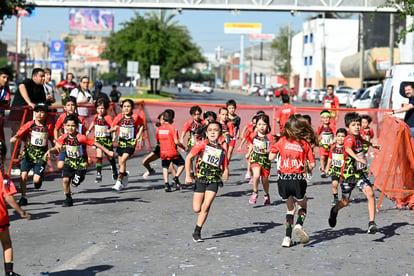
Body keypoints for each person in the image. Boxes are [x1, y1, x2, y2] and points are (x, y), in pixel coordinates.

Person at [328, 112, 381, 234]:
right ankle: (334, 210)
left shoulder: (358, 138)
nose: (357, 127)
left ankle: (371, 223)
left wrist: (373, 145)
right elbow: (347, 148)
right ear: (348, 128)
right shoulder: (349, 139)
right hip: (348, 176)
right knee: (345, 202)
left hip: (359, 174)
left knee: (370, 193)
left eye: (358, 124)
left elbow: (363, 141)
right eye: (354, 125)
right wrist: (358, 158)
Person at [269, 114, 317, 247]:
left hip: (282, 179)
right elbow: (312, 164)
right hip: (298, 179)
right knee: (303, 204)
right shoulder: (305, 144)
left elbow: (270, 157)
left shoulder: (282, 141)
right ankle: (299, 225)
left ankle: (287, 238)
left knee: (290, 209)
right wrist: (307, 165)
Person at [45, 115, 114, 207]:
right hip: (69, 161)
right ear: (64, 126)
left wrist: (108, 151)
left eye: (73, 126)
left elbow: (95, 143)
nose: (70, 128)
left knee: (74, 184)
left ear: (77, 126)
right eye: (68, 126)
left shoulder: (81, 137)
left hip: (80, 163)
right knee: (65, 180)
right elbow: (57, 147)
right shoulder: (63, 137)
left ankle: (80, 177)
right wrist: (50, 150)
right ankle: (68, 198)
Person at [185, 120, 229, 242]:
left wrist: (225, 171)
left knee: (207, 205)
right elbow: (188, 158)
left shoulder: (222, 150)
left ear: (220, 133)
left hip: (214, 180)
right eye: (210, 130)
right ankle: (202, 212)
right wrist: (188, 175)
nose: (213, 133)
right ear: (206, 132)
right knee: (197, 209)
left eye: (216, 130)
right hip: (200, 179)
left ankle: (197, 232)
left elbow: (225, 165)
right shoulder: (201, 145)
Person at [10, 103, 53, 206]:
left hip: (41, 156)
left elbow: (52, 138)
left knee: (36, 179)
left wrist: (55, 147)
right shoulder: (30, 124)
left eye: (42, 112)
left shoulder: (49, 126)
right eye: (37, 111)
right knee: (23, 175)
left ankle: (39, 178)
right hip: (28, 154)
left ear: (46, 114)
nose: (39, 114)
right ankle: (23, 197)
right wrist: (15, 137)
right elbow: (21, 131)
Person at [0, 162, 31, 275]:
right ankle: (9, 272)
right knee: (7, 244)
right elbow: (8, 196)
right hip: (1, 216)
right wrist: (21, 212)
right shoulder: (3, 176)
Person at [111, 99, 144, 191]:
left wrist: (139, 134)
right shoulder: (119, 117)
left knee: (123, 160)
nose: (126, 108)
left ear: (132, 108)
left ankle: (118, 182)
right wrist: (114, 131)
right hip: (121, 142)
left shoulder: (136, 117)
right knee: (121, 162)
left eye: (128, 106)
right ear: (121, 108)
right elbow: (113, 127)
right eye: (124, 106)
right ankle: (124, 175)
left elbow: (142, 125)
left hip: (131, 142)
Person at [85, 98, 118, 183]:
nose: (100, 110)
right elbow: (93, 122)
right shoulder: (96, 116)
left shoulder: (107, 118)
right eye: (98, 108)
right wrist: (89, 130)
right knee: (99, 155)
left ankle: (114, 169)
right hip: (98, 140)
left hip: (106, 140)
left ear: (106, 108)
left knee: (110, 157)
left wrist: (109, 131)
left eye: (102, 108)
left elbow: (114, 127)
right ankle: (99, 173)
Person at [245, 114, 275, 205]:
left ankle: (266, 195)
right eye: (259, 124)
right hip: (255, 157)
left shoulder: (270, 137)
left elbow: (272, 149)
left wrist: (267, 151)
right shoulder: (253, 135)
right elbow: (251, 144)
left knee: (265, 180)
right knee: (256, 175)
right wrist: (249, 153)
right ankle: (255, 192)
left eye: (264, 124)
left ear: (268, 125)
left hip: (265, 159)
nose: (261, 126)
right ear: (256, 125)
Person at [156, 110, 187, 192]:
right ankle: (176, 178)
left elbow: (158, 140)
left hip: (163, 152)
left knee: (165, 167)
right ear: (172, 119)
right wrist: (184, 147)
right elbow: (176, 141)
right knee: (182, 164)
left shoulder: (159, 129)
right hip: (172, 151)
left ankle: (166, 184)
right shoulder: (173, 128)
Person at [54, 97, 87, 170]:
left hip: (76, 147)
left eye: (72, 105)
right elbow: (56, 129)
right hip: (65, 145)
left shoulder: (80, 119)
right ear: (65, 107)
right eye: (68, 105)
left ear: (75, 106)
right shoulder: (62, 117)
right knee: (60, 166)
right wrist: (57, 141)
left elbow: (84, 133)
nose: (71, 107)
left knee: (77, 168)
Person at [142, 110, 177, 178]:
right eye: (161, 120)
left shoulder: (170, 129)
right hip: (159, 150)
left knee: (171, 166)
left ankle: (176, 180)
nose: (162, 121)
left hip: (167, 150)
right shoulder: (159, 129)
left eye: (164, 119)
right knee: (144, 162)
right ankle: (150, 170)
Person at [325, 128, 347, 206]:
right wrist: (327, 167)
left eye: (343, 136)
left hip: (344, 169)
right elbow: (330, 158)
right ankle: (335, 198)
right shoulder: (333, 147)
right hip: (335, 168)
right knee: (334, 184)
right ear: (335, 137)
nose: (340, 138)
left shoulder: (346, 148)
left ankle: (345, 198)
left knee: (344, 185)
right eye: (338, 136)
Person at [317, 110, 336, 178]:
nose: (326, 119)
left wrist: (333, 141)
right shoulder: (320, 126)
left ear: (330, 118)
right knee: (322, 157)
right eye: (324, 118)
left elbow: (335, 135)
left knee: (329, 158)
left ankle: (326, 168)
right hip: (322, 145)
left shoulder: (332, 126)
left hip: (330, 145)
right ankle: (322, 170)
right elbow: (317, 135)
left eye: (327, 117)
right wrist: (316, 141)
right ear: (321, 119)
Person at [0, 68, 12, 141]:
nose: (6, 80)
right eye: (3, 77)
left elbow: (7, 103)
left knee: (2, 141)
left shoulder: (6, 88)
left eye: (7, 78)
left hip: (1, 117)